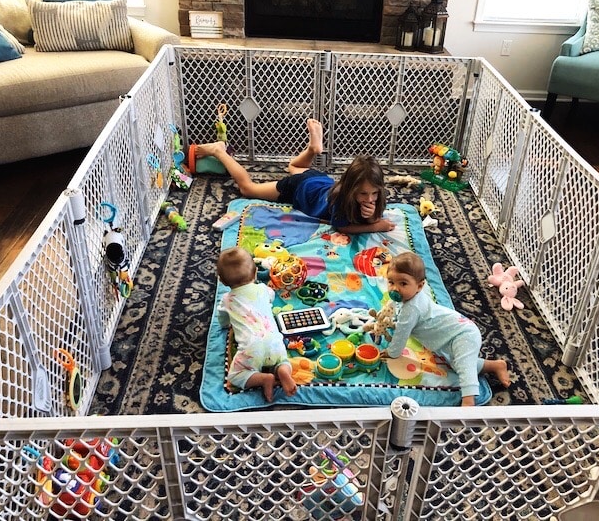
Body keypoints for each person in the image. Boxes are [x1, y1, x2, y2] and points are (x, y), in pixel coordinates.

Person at [196, 118, 395, 234]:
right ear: (351, 188)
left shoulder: (374, 196)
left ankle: (313, 148)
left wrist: (372, 218)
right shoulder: (340, 201)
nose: (369, 199)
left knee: (293, 165)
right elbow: (342, 227)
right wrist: (375, 226)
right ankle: (219, 151)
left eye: (374, 193)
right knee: (248, 188)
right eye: (363, 194)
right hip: (300, 187)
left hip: (319, 180)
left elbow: (369, 216)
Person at [382, 252, 511, 406]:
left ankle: (468, 401)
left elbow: (401, 334)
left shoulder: (412, 308)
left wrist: (392, 352)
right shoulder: (409, 298)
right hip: (447, 337)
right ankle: (495, 365)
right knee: (456, 365)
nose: (395, 289)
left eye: (403, 284)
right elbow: (398, 312)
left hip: (462, 334)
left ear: (420, 286)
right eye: (391, 282)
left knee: (464, 366)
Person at [216, 246, 297, 402]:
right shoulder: (263, 289)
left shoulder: (227, 300)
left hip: (251, 348)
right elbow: (271, 297)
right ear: (255, 273)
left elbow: (223, 320)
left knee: (235, 376)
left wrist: (225, 324)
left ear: (222, 281)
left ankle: (263, 379)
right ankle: (282, 370)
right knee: (283, 360)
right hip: (274, 341)